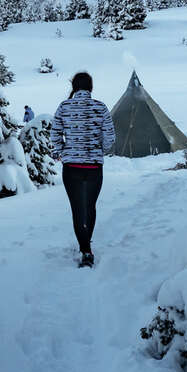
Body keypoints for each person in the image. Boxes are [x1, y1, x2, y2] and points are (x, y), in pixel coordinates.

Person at [49, 72, 115, 268]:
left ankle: (85, 249)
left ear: (74, 87)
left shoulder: (64, 107)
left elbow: (54, 134)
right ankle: (87, 245)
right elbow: (110, 137)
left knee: (77, 209)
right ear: (90, 87)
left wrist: (62, 152)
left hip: (71, 168)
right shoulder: (100, 107)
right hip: (94, 166)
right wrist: (98, 151)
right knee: (90, 207)